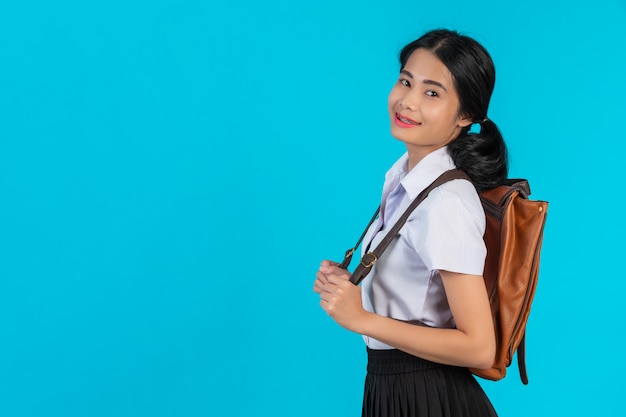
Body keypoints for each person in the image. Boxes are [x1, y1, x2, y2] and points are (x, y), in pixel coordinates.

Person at [313, 28, 508, 417]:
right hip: (395, 387)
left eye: (432, 92)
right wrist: (348, 288)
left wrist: (362, 318)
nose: (407, 101)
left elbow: (479, 347)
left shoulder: (445, 204)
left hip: (428, 394)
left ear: (466, 115)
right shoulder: (404, 181)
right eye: (405, 81)